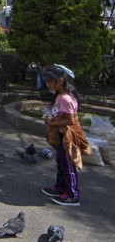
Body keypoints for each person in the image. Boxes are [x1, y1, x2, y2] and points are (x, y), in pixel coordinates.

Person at [41, 64, 91, 206]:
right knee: (61, 162)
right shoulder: (60, 96)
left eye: (50, 81)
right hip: (62, 135)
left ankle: (72, 195)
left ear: (61, 81)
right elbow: (61, 113)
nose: (47, 84)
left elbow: (69, 120)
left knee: (68, 165)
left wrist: (51, 122)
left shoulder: (65, 98)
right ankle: (60, 187)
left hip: (67, 137)